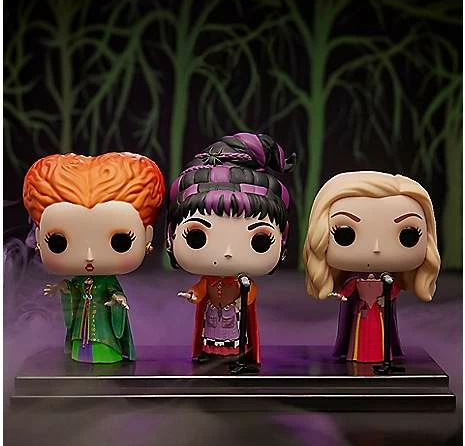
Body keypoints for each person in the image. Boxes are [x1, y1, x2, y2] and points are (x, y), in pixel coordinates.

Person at [167, 132, 295, 370]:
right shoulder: (208, 280)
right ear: (171, 233)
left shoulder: (241, 282)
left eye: (260, 240)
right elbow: (200, 289)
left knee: (232, 332)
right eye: (196, 237)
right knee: (211, 331)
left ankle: (235, 353)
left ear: (283, 238)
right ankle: (210, 352)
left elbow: (251, 295)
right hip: (213, 311)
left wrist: (243, 294)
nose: (227, 253)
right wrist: (193, 294)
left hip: (231, 313)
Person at [22, 152, 165, 363]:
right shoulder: (80, 280)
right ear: (38, 238)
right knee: (81, 343)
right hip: (82, 323)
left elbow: (114, 292)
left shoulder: (107, 282)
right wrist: (63, 287)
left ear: (147, 237)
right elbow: (73, 289)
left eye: (120, 241)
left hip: (103, 326)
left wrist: (118, 299)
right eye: (58, 242)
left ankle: (107, 352)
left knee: (102, 344)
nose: (89, 257)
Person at [303, 171, 440, 363]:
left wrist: (384, 299)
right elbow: (345, 293)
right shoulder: (354, 281)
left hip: (378, 313)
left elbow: (392, 292)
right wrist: (338, 295)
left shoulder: (388, 281)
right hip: (362, 312)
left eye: (407, 235)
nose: (376, 248)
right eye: (345, 234)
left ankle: (382, 356)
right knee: (359, 336)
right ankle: (357, 355)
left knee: (380, 336)